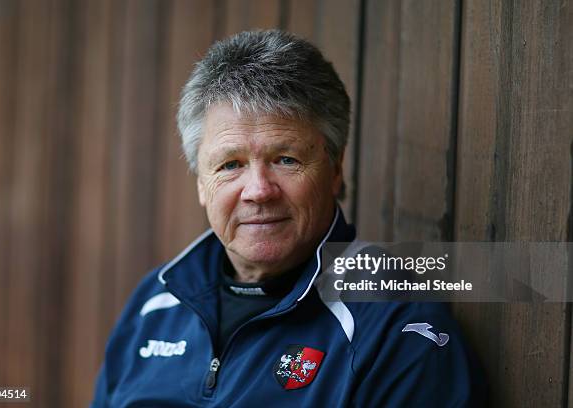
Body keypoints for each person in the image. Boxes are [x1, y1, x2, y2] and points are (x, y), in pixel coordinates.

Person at [91, 29, 485, 407]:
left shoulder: (393, 323)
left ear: (335, 170)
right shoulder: (155, 303)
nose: (258, 190)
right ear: (200, 183)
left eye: (286, 159)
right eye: (230, 165)